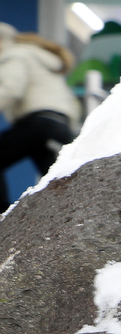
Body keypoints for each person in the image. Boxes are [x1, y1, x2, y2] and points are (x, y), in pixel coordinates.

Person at [0, 23, 80, 211]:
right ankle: (72, 215)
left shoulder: (15, 55)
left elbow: (9, 89)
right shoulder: (36, 56)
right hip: (58, 124)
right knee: (58, 179)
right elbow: (69, 100)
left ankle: (2, 217)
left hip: (37, 123)